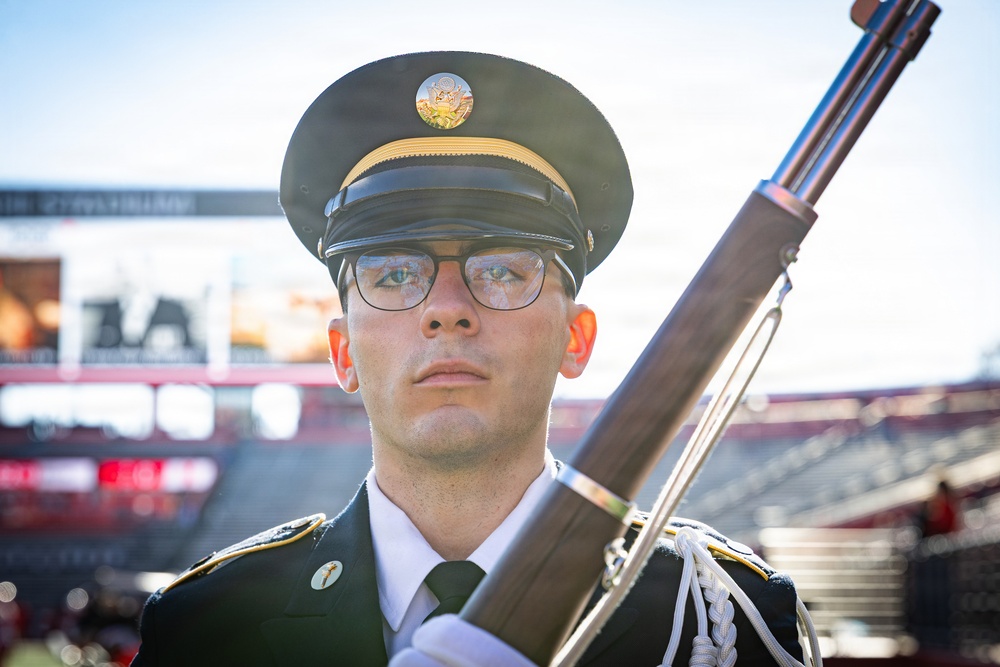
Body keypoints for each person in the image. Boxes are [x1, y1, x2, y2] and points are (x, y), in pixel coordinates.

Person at [131, 52, 804, 666]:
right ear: (343, 353)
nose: (446, 308)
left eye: (504, 270)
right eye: (393, 275)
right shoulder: (205, 630)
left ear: (577, 339)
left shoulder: (718, 621)